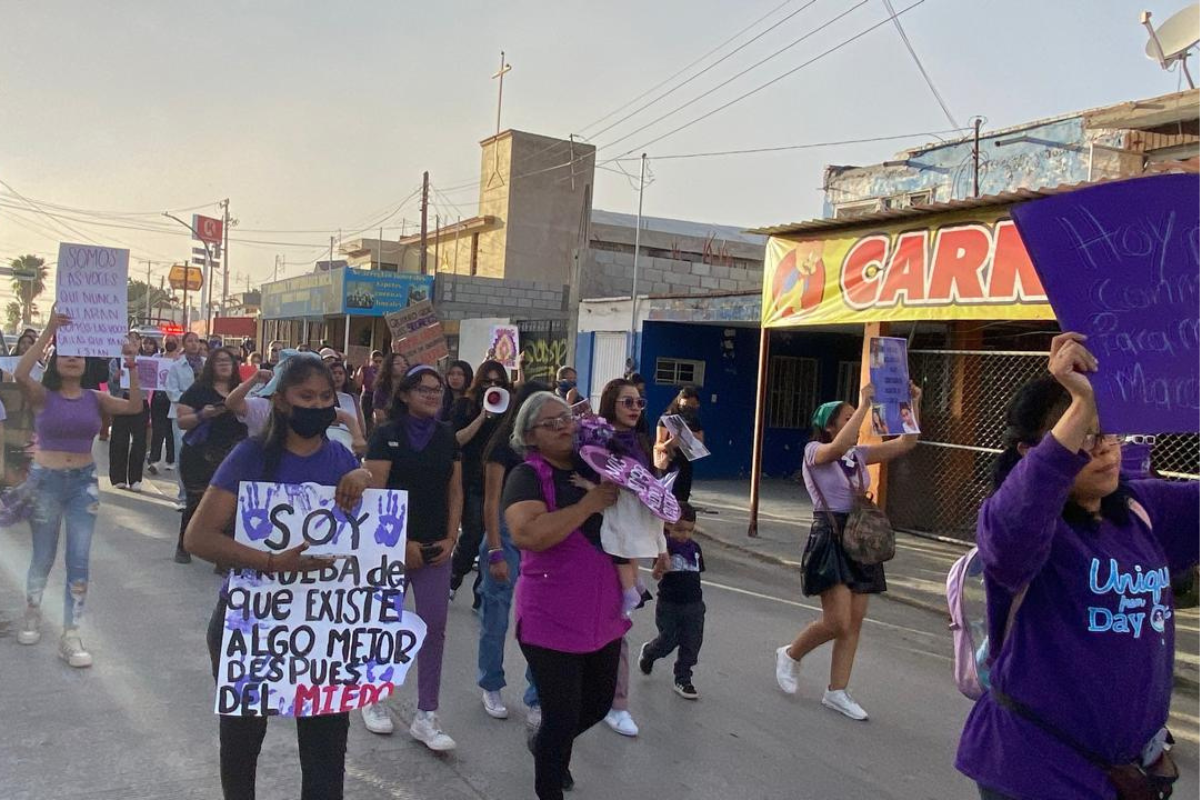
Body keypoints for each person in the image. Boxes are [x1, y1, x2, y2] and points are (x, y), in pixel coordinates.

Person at [956, 333, 1197, 800]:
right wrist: (1080, 398)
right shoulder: (1015, 523)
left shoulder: (1140, 507)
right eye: (1084, 435)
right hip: (1034, 770)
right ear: (1032, 453)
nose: (1105, 448)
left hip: (1126, 772)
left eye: (1106, 432)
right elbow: (1020, 518)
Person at [183, 353, 371, 800]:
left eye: (326, 397)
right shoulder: (249, 456)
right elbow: (199, 537)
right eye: (306, 396)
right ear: (282, 402)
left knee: (326, 750)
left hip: (323, 629)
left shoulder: (340, 457)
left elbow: (366, 537)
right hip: (251, 623)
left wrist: (362, 477)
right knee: (242, 744)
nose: (318, 405)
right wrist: (269, 563)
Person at [775, 381, 922, 721]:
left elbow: (907, 442)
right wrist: (863, 404)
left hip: (860, 538)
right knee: (837, 621)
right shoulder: (814, 451)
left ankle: (837, 690)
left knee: (854, 622)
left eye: (854, 417)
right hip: (830, 534)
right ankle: (792, 653)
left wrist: (914, 403)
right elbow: (837, 447)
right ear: (829, 426)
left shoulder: (859, 455)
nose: (854, 422)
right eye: (846, 418)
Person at [504, 391, 625, 799]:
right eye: (551, 422)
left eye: (566, 418)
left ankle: (546, 748)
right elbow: (530, 535)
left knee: (598, 703)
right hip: (549, 615)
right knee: (561, 714)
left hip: (602, 610)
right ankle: (549, 780)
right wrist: (589, 504)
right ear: (530, 435)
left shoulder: (594, 465)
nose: (563, 427)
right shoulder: (526, 476)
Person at [14, 308, 144, 667]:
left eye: (79, 355)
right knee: (42, 556)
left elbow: (134, 406)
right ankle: (33, 610)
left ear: (87, 363)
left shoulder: (95, 398)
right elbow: (20, 373)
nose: (72, 358)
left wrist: (132, 364)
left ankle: (71, 634)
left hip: (83, 486)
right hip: (45, 483)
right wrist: (49, 330)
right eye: (66, 353)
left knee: (79, 560)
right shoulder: (42, 395)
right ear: (57, 360)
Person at [361, 365, 463, 750]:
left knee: (433, 628)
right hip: (391, 547)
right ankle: (374, 698)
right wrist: (400, 545)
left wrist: (451, 536)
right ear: (404, 394)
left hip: (436, 548)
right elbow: (374, 497)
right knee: (382, 623)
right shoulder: (385, 435)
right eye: (424, 389)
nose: (433, 395)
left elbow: (455, 492)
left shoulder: (446, 436)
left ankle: (426, 714)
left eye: (438, 389)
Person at [478, 381, 547, 725]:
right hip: (503, 536)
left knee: (537, 623)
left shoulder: (551, 448)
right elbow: (492, 502)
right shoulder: (502, 447)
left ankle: (536, 695)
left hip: (538, 536)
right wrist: (494, 551)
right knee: (496, 619)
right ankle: (491, 684)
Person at [596, 377, 660, 738]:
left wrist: (661, 548)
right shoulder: (596, 440)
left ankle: (617, 703)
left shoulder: (640, 443)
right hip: (597, 540)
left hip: (629, 544)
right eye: (628, 402)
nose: (635, 409)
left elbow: (651, 498)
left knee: (619, 626)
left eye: (639, 403)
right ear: (612, 404)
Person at [174, 347, 247, 565]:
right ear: (211, 366)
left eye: (229, 361)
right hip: (200, 455)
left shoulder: (241, 390)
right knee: (197, 503)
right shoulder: (198, 391)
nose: (225, 365)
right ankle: (184, 545)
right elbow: (181, 421)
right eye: (219, 361)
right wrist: (203, 414)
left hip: (233, 455)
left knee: (230, 507)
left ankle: (223, 558)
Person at [450, 360, 511, 604]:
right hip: (472, 479)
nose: (492, 387)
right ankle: (454, 575)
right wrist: (482, 418)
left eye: (498, 382)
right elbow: (457, 440)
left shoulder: (508, 408)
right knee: (473, 534)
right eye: (487, 382)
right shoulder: (465, 405)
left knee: (492, 539)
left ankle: (481, 591)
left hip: (499, 481)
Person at [638, 502, 705, 699]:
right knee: (668, 639)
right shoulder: (664, 546)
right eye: (679, 529)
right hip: (669, 604)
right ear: (668, 525)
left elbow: (696, 574)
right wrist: (661, 567)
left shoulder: (695, 548)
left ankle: (683, 679)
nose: (684, 535)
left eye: (689, 530)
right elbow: (656, 575)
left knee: (692, 642)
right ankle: (650, 652)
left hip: (694, 604)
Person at [166, 332, 204, 511]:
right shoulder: (176, 366)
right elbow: (171, 391)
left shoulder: (206, 365)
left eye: (197, 341)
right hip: (181, 413)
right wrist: (191, 399)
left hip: (205, 414)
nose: (194, 344)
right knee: (182, 452)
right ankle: (183, 495)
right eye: (190, 341)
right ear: (183, 344)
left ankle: (200, 495)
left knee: (202, 453)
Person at [107, 339, 150, 491]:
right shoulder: (115, 362)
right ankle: (118, 477)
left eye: (133, 347)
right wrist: (115, 378)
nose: (130, 350)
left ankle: (135, 479)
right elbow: (110, 384)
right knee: (119, 439)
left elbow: (151, 384)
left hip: (140, 401)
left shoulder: (145, 362)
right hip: (121, 400)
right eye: (127, 349)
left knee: (139, 442)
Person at [655, 386, 705, 502]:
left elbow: (701, 442)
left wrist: (692, 437)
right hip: (669, 464)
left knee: (682, 499)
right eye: (686, 405)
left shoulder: (695, 421)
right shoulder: (667, 418)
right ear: (679, 402)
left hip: (685, 464)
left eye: (693, 405)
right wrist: (670, 443)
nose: (689, 408)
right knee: (667, 498)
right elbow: (658, 444)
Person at [147, 336, 181, 475]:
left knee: (171, 430)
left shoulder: (181, 360)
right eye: (168, 340)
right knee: (158, 430)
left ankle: (171, 460)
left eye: (173, 340)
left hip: (173, 399)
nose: (170, 342)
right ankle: (154, 460)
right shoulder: (157, 357)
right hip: (159, 397)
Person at [327, 360, 367, 457]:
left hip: (349, 442)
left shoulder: (352, 398)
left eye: (340, 373)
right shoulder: (321, 396)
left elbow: (361, 424)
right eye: (334, 373)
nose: (337, 376)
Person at [371, 351, 410, 426]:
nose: (403, 366)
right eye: (397, 363)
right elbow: (379, 412)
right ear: (388, 367)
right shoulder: (382, 388)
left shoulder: (411, 388)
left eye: (405, 363)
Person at [355, 350, 383, 431]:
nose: (378, 364)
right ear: (371, 361)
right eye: (375, 361)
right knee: (365, 419)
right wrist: (361, 369)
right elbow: (358, 384)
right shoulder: (365, 369)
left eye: (380, 362)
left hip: (379, 397)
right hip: (367, 396)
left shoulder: (384, 371)